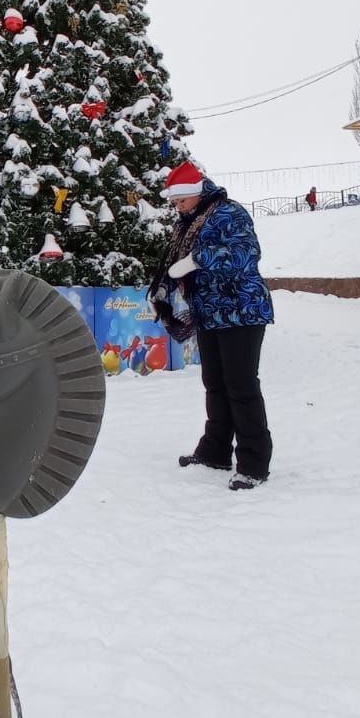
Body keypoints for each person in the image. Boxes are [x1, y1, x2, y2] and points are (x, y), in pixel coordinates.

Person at [149, 161, 275, 490]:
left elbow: (245, 254)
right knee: (215, 384)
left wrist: (198, 259)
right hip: (209, 313)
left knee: (241, 386)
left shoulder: (227, 213)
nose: (177, 207)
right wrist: (163, 287)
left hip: (241, 311)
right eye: (174, 203)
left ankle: (254, 463)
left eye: (181, 201)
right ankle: (216, 451)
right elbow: (174, 263)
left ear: (194, 193)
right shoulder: (188, 221)